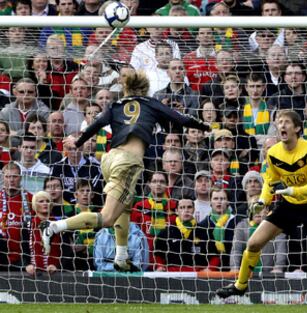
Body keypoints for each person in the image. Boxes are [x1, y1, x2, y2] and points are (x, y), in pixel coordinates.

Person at [39, 69, 209, 272]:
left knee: (125, 206)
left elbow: (95, 125)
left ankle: (121, 257)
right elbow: (181, 119)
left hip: (110, 159)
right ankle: (54, 227)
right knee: (107, 217)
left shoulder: (116, 105)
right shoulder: (150, 103)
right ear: (145, 89)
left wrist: (78, 142)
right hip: (128, 162)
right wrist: (206, 127)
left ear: (126, 89)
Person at [216, 109, 307, 298]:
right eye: (279, 122)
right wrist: (263, 202)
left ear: (297, 128)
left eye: (286, 122)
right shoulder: (273, 153)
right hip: (289, 205)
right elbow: (270, 183)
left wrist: (292, 190)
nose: (282, 125)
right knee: (254, 243)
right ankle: (240, 286)